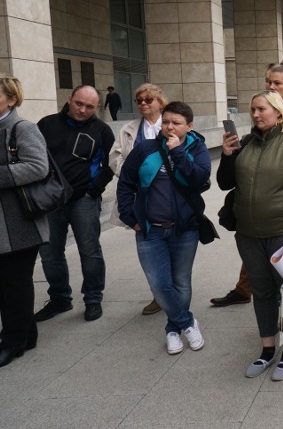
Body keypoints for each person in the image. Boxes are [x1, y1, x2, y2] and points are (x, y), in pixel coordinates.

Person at [211, 57, 283, 307]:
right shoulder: (257, 122)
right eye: (268, 82)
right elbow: (226, 180)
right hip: (258, 211)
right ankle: (246, 290)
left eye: (277, 82)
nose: (272, 86)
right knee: (259, 256)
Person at [218, 90, 283, 380]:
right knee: (261, 293)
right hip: (248, 235)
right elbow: (225, 183)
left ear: (277, 111)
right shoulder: (245, 143)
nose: (256, 114)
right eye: (253, 110)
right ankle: (267, 349)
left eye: (261, 109)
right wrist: (227, 156)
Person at [116, 101, 211, 355]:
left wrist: (178, 151)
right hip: (150, 229)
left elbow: (199, 179)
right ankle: (187, 322)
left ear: (189, 126)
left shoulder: (197, 148)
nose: (169, 127)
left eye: (176, 123)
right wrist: (129, 216)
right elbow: (126, 183)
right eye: (166, 122)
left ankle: (172, 329)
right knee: (159, 283)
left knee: (181, 281)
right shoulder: (145, 149)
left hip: (185, 229)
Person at [35, 85, 115, 322]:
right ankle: (60, 298)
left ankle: (93, 299)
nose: (82, 109)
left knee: (90, 251)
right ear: (69, 99)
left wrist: (94, 190)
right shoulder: (46, 124)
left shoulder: (102, 131)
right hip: (49, 201)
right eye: (78, 103)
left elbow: (111, 164)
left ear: (97, 107)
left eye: (89, 106)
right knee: (50, 253)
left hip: (84, 201)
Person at [0, 74, 48, 368]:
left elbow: (38, 167)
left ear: (11, 99)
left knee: (14, 282)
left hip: (19, 222)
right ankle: (27, 333)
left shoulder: (22, 128)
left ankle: (13, 340)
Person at [108, 83, 168, 315]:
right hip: (139, 197)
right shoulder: (129, 129)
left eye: (148, 100)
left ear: (160, 102)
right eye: (139, 100)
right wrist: (132, 172)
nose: (143, 103)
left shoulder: (171, 123)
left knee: (172, 246)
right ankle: (158, 295)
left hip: (167, 197)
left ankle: (174, 291)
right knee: (148, 249)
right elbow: (115, 158)